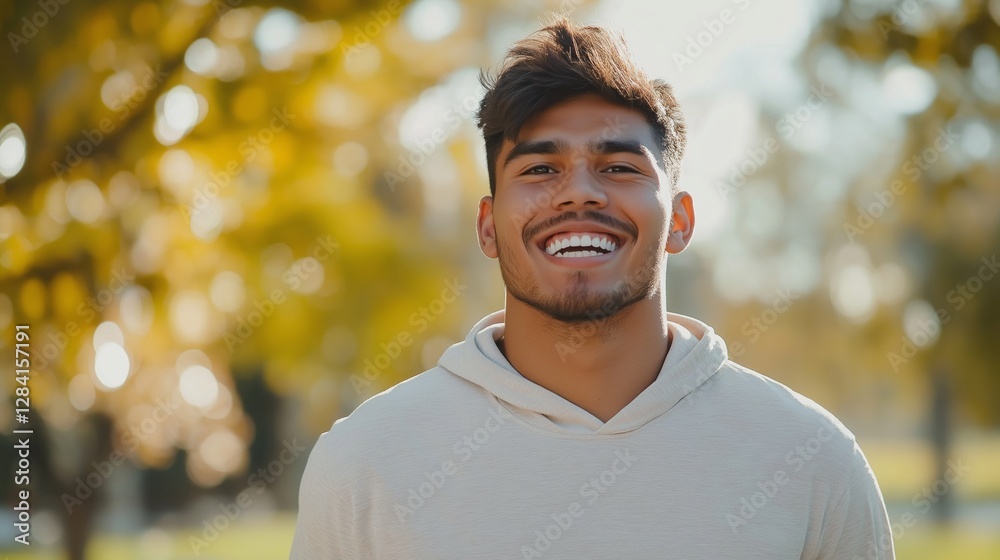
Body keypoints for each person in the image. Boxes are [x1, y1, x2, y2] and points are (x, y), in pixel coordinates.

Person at [290, 17, 895, 560]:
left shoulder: (811, 459)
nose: (579, 193)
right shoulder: (365, 464)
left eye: (620, 167)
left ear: (680, 221)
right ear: (488, 226)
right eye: (539, 169)